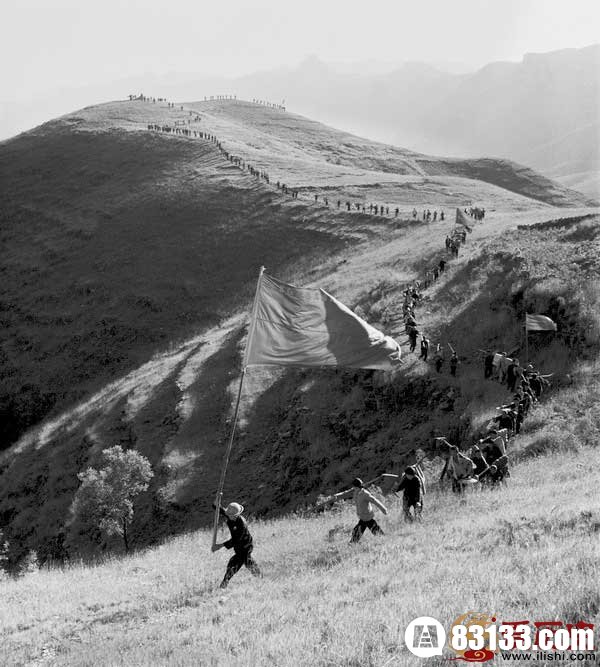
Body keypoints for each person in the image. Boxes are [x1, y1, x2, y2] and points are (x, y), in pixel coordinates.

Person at [212, 502, 261, 588]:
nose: (229, 516)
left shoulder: (241, 524)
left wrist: (219, 546)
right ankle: (260, 577)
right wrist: (216, 503)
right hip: (238, 547)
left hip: (245, 545)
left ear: (236, 515)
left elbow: (235, 540)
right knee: (247, 562)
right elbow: (221, 510)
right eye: (229, 515)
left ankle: (224, 583)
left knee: (235, 563)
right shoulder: (230, 515)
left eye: (231, 515)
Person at [350, 478, 387, 542]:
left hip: (367, 517)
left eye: (354, 487)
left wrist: (383, 509)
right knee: (358, 530)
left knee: (373, 531)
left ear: (358, 487)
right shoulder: (356, 493)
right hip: (362, 517)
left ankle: (352, 543)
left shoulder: (365, 494)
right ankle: (353, 543)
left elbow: (374, 500)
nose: (353, 488)